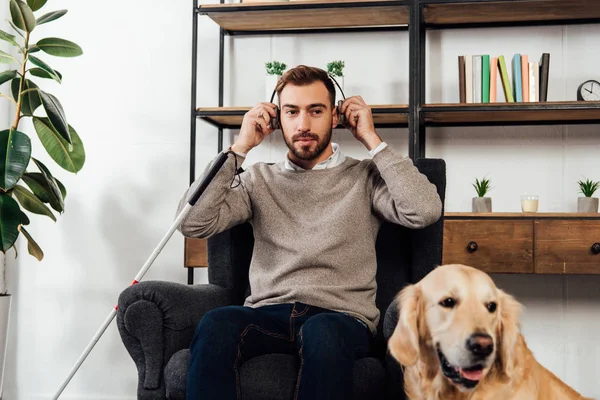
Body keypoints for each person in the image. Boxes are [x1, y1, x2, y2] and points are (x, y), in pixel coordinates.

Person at [176, 64, 442, 400]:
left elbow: (425, 210)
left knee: (323, 331)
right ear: (277, 119)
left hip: (342, 318)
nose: (303, 124)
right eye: (292, 112)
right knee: (216, 323)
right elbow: (191, 223)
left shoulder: (365, 177)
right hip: (267, 314)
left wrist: (372, 140)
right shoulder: (258, 179)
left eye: (315, 111)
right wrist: (239, 148)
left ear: (335, 116)